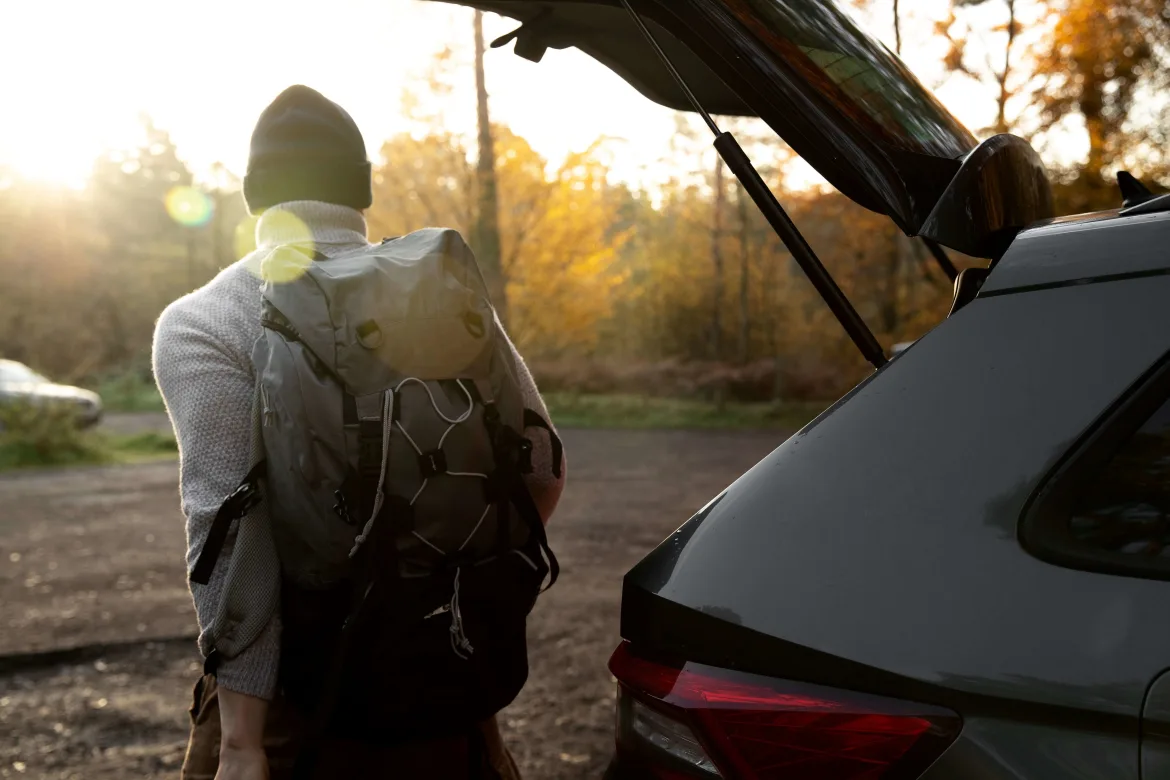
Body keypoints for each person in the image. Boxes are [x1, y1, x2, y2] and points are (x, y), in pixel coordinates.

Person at [153, 85, 566, 780]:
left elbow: (229, 530)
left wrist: (242, 745)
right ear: (363, 189)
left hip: (292, 703)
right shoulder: (440, 296)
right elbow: (542, 470)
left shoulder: (205, 319)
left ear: (255, 195)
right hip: (443, 684)